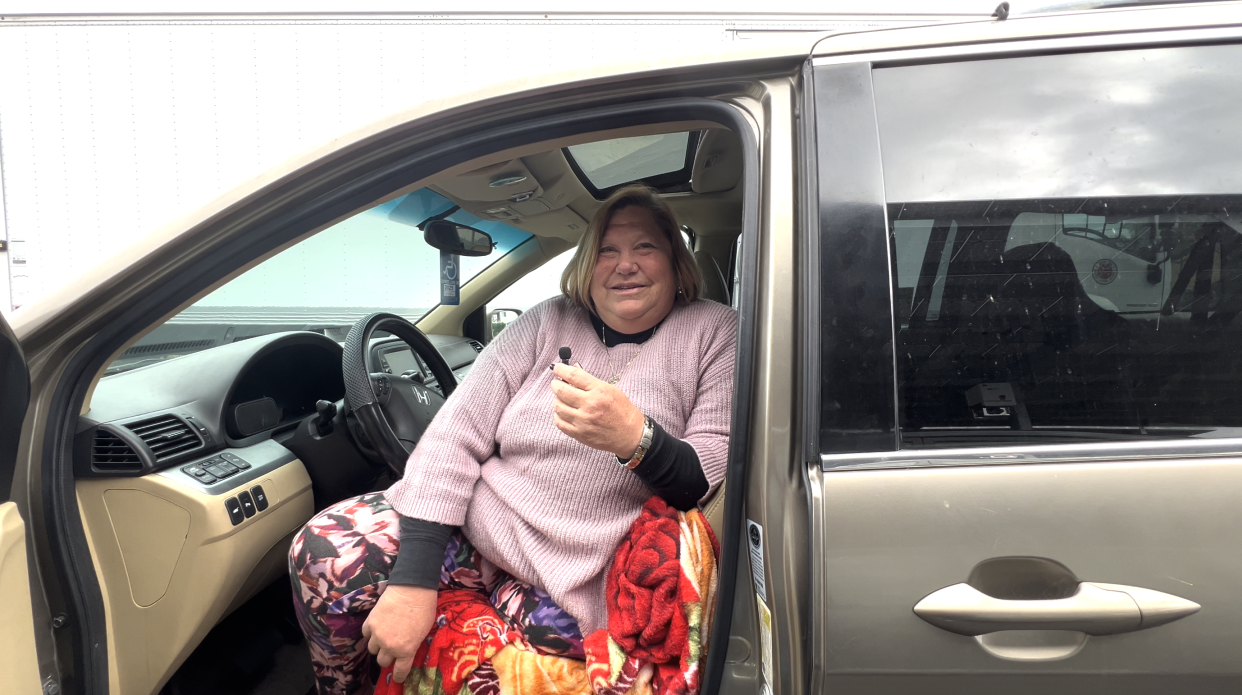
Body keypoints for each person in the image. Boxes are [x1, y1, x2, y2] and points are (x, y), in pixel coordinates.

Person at [289, 184, 737, 695]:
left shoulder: (715, 331)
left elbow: (707, 480)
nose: (625, 265)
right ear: (588, 265)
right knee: (321, 549)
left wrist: (636, 438)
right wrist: (413, 581)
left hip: (586, 574)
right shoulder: (547, 319)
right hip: (484, 529)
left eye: (645, 248)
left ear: (677, 264)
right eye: (608, 250)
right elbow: (454, 436)